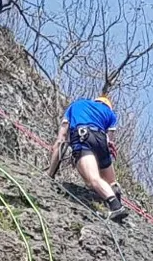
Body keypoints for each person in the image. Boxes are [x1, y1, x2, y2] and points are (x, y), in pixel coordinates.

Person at [51, 94, 127, 222]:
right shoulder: (110, 113)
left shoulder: (76, 105)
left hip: (83, 137)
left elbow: (61, 140)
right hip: (101, 140)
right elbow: (109, 141)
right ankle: (117, 199)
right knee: (111, 182)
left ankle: (115, 206)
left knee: (93, 179)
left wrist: (50, 174)